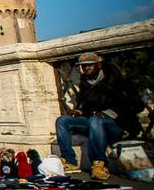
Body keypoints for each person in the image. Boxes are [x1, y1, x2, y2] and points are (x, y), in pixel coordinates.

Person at [55, 52, 144, 180]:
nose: (86, 68)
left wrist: (109, 113)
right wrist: (79, 112)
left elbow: (136, 105)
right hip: (94, 123)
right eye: (83, 66)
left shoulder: (116, 80)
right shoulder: (85, 82)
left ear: (98, 64)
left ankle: (99, 164)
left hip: (118, 124)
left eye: (89, 65)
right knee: (62, 120)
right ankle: (69, 160)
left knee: (95, 120)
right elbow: (87, 107)